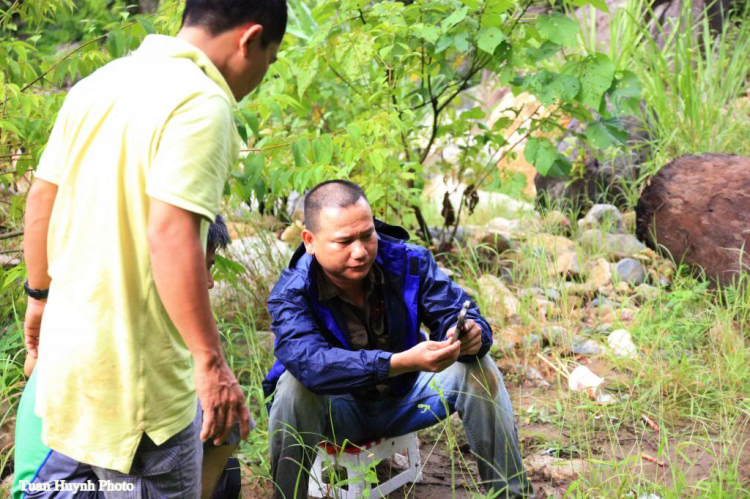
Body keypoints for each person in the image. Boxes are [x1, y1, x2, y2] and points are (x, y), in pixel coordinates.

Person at [21, 0, 286, 495]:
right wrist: (211, 363)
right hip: (140, 387)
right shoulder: (203, 102)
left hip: (75, 368)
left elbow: (41, 200)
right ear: (250, 40)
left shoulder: (98, 84)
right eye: (268, 64)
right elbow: (171, 233)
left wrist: (38, 301)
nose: (259, 79)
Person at [263, 180, 533, 498]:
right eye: (344, 241)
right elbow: (311, 364)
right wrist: (399, 362)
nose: (360, 251)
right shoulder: (292, 292)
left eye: (367, 235)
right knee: (294, 386)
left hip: (408, 399)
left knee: (477, 366)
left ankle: (511, 495)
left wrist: (471, 334)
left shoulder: (407, 261)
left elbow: (454, 310)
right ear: (310, 241)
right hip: (339, 413)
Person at [13, 217, 241, 499]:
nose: (209, 282)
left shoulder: (119, 308)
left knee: (222, 423)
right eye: (202, 267)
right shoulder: (124, 340)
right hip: (54, 490)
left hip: (94, 467)